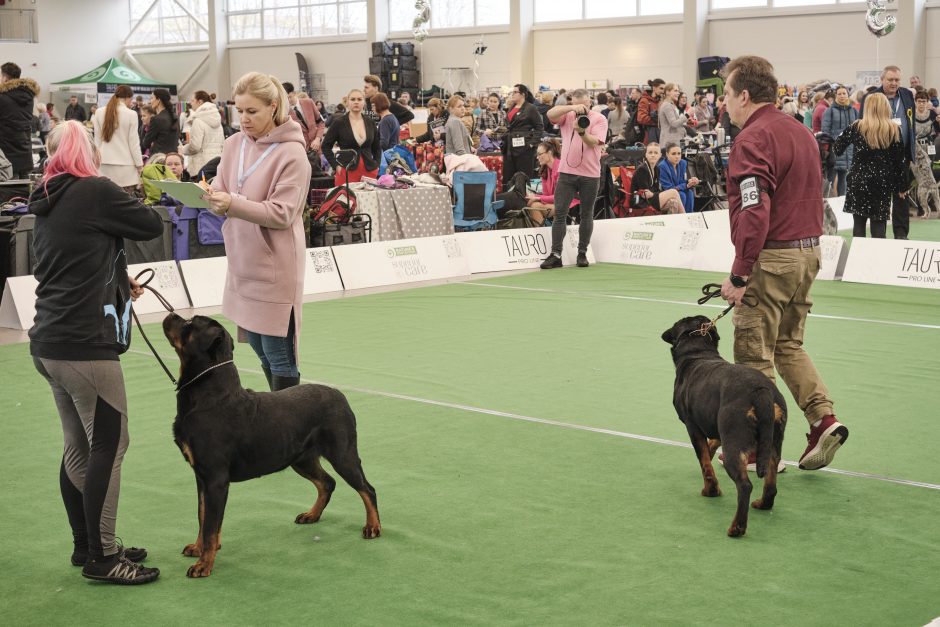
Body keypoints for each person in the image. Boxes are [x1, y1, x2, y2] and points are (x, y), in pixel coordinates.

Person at [29, 120, 163, 585]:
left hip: (49, 340)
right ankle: (103, 557)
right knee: (111, 443)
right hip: (85, 344)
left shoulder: (48, 195)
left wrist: (113, 276)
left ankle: (85, 544)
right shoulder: (96, 190)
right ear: (87, 151)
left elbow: (68, 256)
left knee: (80, 446)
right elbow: (150, 224)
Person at [717, 55, 848, 472]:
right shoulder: (801, 132)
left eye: (726, 94)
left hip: (772, 255)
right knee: (789, 344)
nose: (724, 104)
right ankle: (822, 418)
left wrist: (740, 272)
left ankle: (760, 447)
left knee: (753, 354)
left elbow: (754, 209)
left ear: (744, 94)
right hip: (809, 250)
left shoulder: (753, 140)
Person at [202, 72, 311, 391]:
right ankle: (278, 423)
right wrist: (209, 198)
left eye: (252, 111)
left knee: (279, 356)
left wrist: (231, 203)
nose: (244, 119)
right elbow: (220, 192)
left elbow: (282, 213)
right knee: (262, 353)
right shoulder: (233, 144)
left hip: (276, 268)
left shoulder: (293, 154)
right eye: (239, 111)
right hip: (242, 265)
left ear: (274, 106)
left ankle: (290, 431)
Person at [540, 88, 607, 270]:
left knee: (586, 214)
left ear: (590, 102)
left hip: (590, 174)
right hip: (567, 172)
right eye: (579, 105)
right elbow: (550, 114)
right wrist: (571, 108)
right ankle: (556, 254)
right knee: (560, 213)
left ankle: (582, 253)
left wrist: (582, 132)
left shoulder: (600, 119)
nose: (582, 109)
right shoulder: (568, 115)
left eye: (584, 105)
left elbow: (595, 142)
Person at [833, 93, 907, 239]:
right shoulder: (894, 129)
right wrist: (902, 187)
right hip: (882, 183)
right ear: (886, 107)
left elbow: (837, 148)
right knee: (879, 225)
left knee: (858, 225)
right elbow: (899, 162)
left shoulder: (856, 127)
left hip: (858, 181)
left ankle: (858, 259)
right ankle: (878, 259)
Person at [860, 65, 916, 239]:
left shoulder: (906, 95)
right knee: (880, 198)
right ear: (882, 80)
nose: (894, 83)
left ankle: (901, 235)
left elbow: (911, 122)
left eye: (897, 80)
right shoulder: (871, 97)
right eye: (890, 79)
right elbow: (863, 126)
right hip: (879, 157)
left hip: (903, 157)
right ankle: (879, 237)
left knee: (902, 196)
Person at [322, 89, 381, 186]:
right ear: (347, 102)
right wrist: (335, 166)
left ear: (364, 102)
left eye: (359, 99)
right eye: (353, 99)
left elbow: (377, 147)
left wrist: (376, 164)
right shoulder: (339, 122)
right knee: (346, 200)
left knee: (368, 200)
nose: (356, 102)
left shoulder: (370, 122)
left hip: (369, 171)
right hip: (346, 170)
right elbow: (325, 146)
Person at [92, 84, 143, 193]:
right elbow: (133, 143)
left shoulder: (99, 112)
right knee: (125, 205)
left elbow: (97, 141)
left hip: (103, 165)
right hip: (126, 168)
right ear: (128, 97)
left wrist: (95, 162)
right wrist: (139, 165)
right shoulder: (132, 114)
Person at [0, 62, 40, 178]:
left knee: (10, 192)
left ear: (5, 77)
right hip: (25, 151)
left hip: (7, 155)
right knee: (24, 190)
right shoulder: (29, 97)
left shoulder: (3, 97)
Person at [502, 84, 544, 188]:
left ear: (523, 94)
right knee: (508, 174)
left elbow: (539, 127)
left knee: (524, 174)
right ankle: (510, 196)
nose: (512, 94)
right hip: (509, 147)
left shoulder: (531, 108)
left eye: (515, 92)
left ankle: (525, 197)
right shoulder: (511, 107)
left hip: (525, 147)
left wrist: (532, 144)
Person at [821, 86, 859, 197]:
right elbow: (825, 132)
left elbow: (857, 130)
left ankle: (842, 205)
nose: (842, 96)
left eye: (844, 93)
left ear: (848, 95)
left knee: (844, 179)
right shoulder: (829, 111)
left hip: (849, 150)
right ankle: (827, 204)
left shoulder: (854, 111)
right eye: (839, 94)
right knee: (831, 179)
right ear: (836, 96)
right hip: (835, 150)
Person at [179, 90, 224, 178]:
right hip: (216, 164)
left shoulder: (198, 120)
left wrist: (183, 149)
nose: (190, 103)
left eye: (192, 100)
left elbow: (195, 147)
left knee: (200, 190)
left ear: (200, 102)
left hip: (200, 166)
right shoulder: (217, 120)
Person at [630, 142, 683, 214]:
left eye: (655, 153)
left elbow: (656, 189)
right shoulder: (642, 169)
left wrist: (653, 194)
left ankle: (672, 224)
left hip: (651, 198)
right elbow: (645, 194)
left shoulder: (657, 169)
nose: (653, 155)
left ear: (660, 155)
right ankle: (685, 217)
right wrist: (653, 194)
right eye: (650, 152)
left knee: (673, 202)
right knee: (674, 192)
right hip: (641, 201)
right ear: (646, 155)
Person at [524, 138, 563, 226]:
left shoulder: (561, 168)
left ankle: (542, 233)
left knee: (534, 206)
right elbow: (546, 195)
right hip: (555, 202)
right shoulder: (545, 170)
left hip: (567, 203)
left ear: (550, 153)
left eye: (539, 154)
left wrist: (537, 197)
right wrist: (534, 196)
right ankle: (543, 232)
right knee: (531, 203)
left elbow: (560, 197)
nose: (537, 157)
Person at [282, 82, 325, 156]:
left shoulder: (309, 102)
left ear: (294, 93)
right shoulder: (284, 112)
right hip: (300, 150)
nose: (288, 100)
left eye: (289, 97)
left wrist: (318, 139)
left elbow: (321, 122)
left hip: (316, 148)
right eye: (285, 98)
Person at [659, 143, 698, 213]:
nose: (677, 156)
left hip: (678, 189)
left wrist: (691, 181)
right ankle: (679, 219)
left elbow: (682, 181)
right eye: (673, 154)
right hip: (666, 192)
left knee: (690, 193)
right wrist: (686, 185)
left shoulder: (682, 163)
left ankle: (688, 217)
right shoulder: (662, 166)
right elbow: (668, 188)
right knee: (682, 195)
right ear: (667, 154)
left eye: (679, 153)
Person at [142, 88, 180, 156]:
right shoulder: (175, 117)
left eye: (152, 98)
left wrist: (153, 143)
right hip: (172, 157)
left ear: (158, 100)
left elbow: (146, 143)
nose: (150, 101)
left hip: (158, 158)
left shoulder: (156, 119)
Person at [658, 83, 689, 149]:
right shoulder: (667, 105)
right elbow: (674, 123)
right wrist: (687, 115)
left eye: (678, 91)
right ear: (667, 92)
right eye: (675, 91)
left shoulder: (671, 105)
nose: (678, 93)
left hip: (674, 142)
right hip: (670, 143)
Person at [637, 79, 664, 143]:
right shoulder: (645, 100)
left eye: (664, 89)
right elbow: (641, 118)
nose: (663, 91)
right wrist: (657, 121)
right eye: (661, 88)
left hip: (660, 134)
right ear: (654, 88)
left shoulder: (660, 101)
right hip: (649, 135)